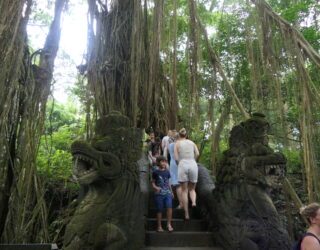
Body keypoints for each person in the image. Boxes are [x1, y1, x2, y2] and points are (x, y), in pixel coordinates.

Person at [174, 128, 199, 220]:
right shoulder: (192, 143)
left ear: (179, 136)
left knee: (184, 190)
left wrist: (179, 164)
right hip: (193, 164)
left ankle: (186, 214)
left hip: (182, 164)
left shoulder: (177, 143)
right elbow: (197, 153)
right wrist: (193, 161)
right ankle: (193, 202)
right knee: (192, 189)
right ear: (186, 135)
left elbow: (176, 158)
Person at [151, 156, 174, 232]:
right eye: (162, 161)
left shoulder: (167, 171)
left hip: (167, 192)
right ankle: (159, 226)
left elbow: (169, 183)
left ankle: (169, 224)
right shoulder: (155, 172)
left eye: (165, 161)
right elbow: (153, 183)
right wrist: (156, 188)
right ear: (158, 162)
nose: (164, 163)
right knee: (159, 209)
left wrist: (172, 192)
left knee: (169, 207)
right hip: (159, 194)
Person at [168, 131, 183, 209]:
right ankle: (181, 203)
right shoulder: (180, 145)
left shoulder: (170, 145)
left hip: (172, 164)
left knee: (175, 183)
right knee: (179, 185)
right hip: (179, 163)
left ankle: (177, 200)